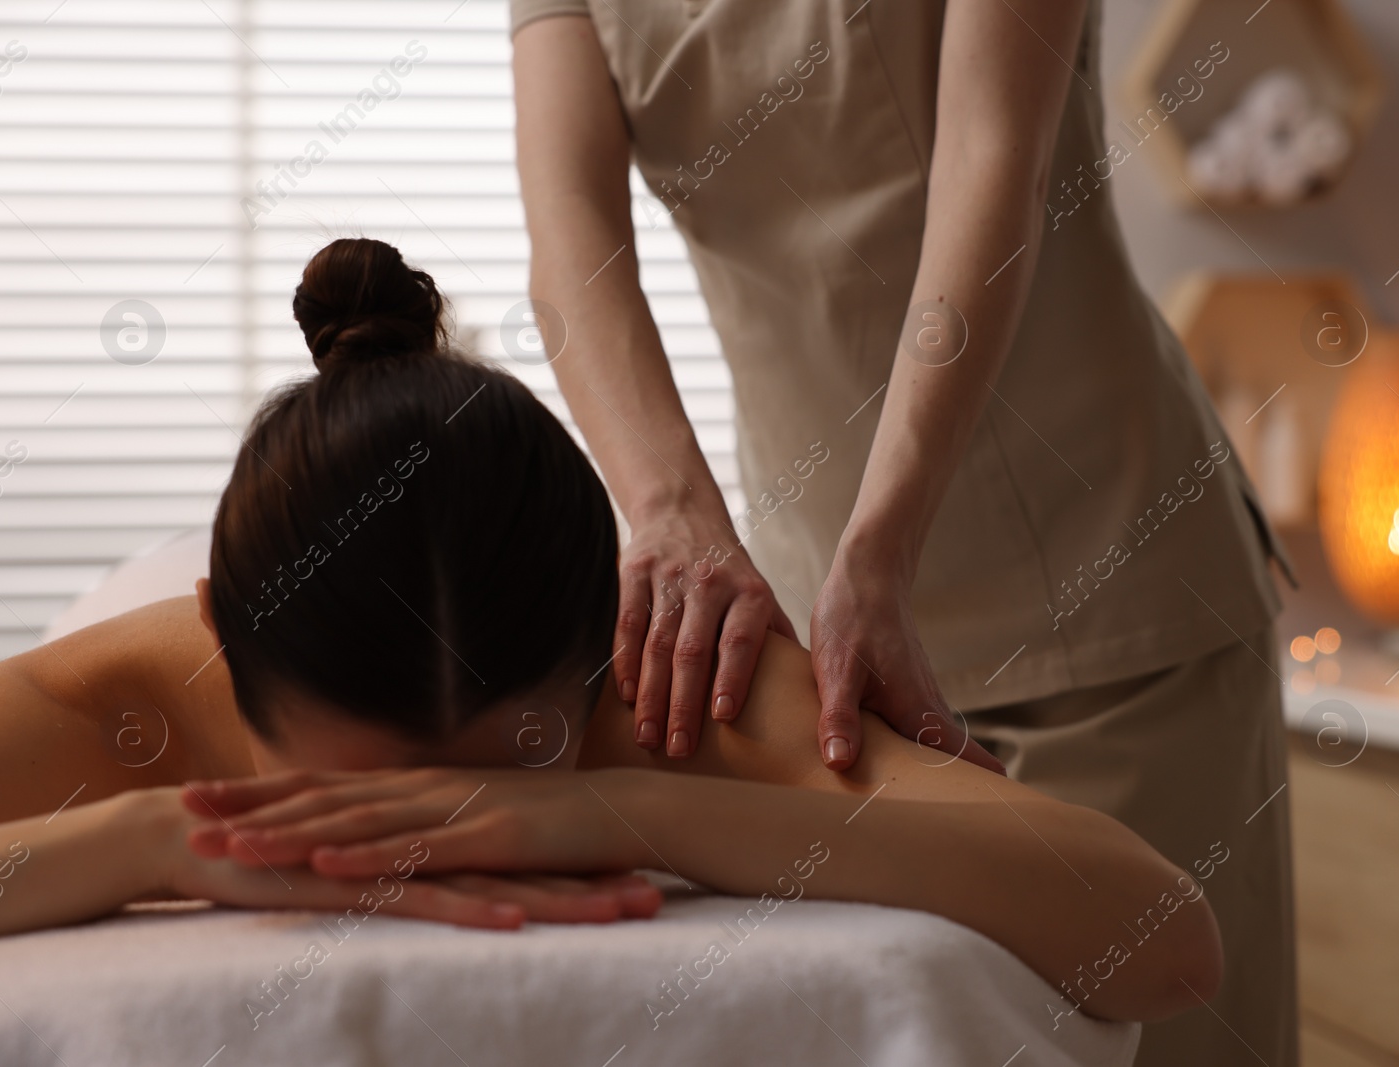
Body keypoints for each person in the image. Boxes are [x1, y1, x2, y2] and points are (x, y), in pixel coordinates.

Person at [0, 239, 1221, 1027]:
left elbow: (1164, 940)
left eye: (495, 774)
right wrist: (151, 837)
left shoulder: (668, 694)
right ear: (220, 643)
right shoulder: (124, 705)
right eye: (357, 795)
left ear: (600, 648)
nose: (424, 844)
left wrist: (614, 810)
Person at [509, 1, 1298, 1061]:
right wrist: (671, 514)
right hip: (827, 672)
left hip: (1109, 602)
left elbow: (991, 160)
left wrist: (881, 546)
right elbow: (572, 250)